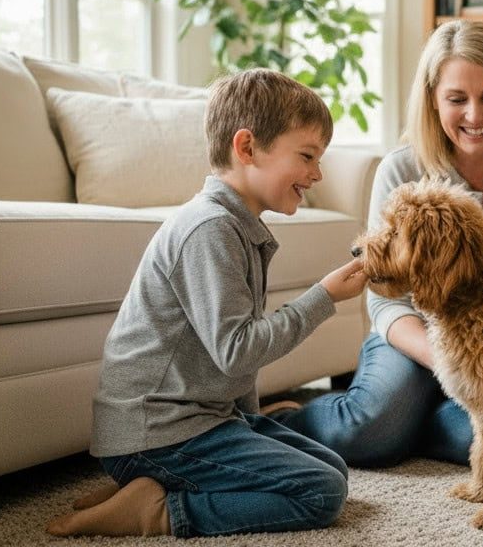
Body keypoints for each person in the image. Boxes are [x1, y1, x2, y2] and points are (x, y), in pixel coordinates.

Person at [46, 69, 368, 538]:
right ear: (246, 148)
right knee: (321, 492)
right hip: (155, 434)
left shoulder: (237, 226)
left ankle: (142, 487)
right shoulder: (210, 230)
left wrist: (250, 423)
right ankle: (156, 509)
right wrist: (323, 298)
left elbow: (229, 363)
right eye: (307, 156)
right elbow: (237, 350)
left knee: (331, 466)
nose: (317, 173)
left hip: (197, 422)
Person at [272, 20, 483, 466]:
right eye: (456, 99)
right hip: (414, 336)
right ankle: (284, 421)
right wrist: (451, 363)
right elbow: (385, 301)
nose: (475, 116)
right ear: (432, 100)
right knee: (370, 432)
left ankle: (410, 423)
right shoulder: (400, 169)